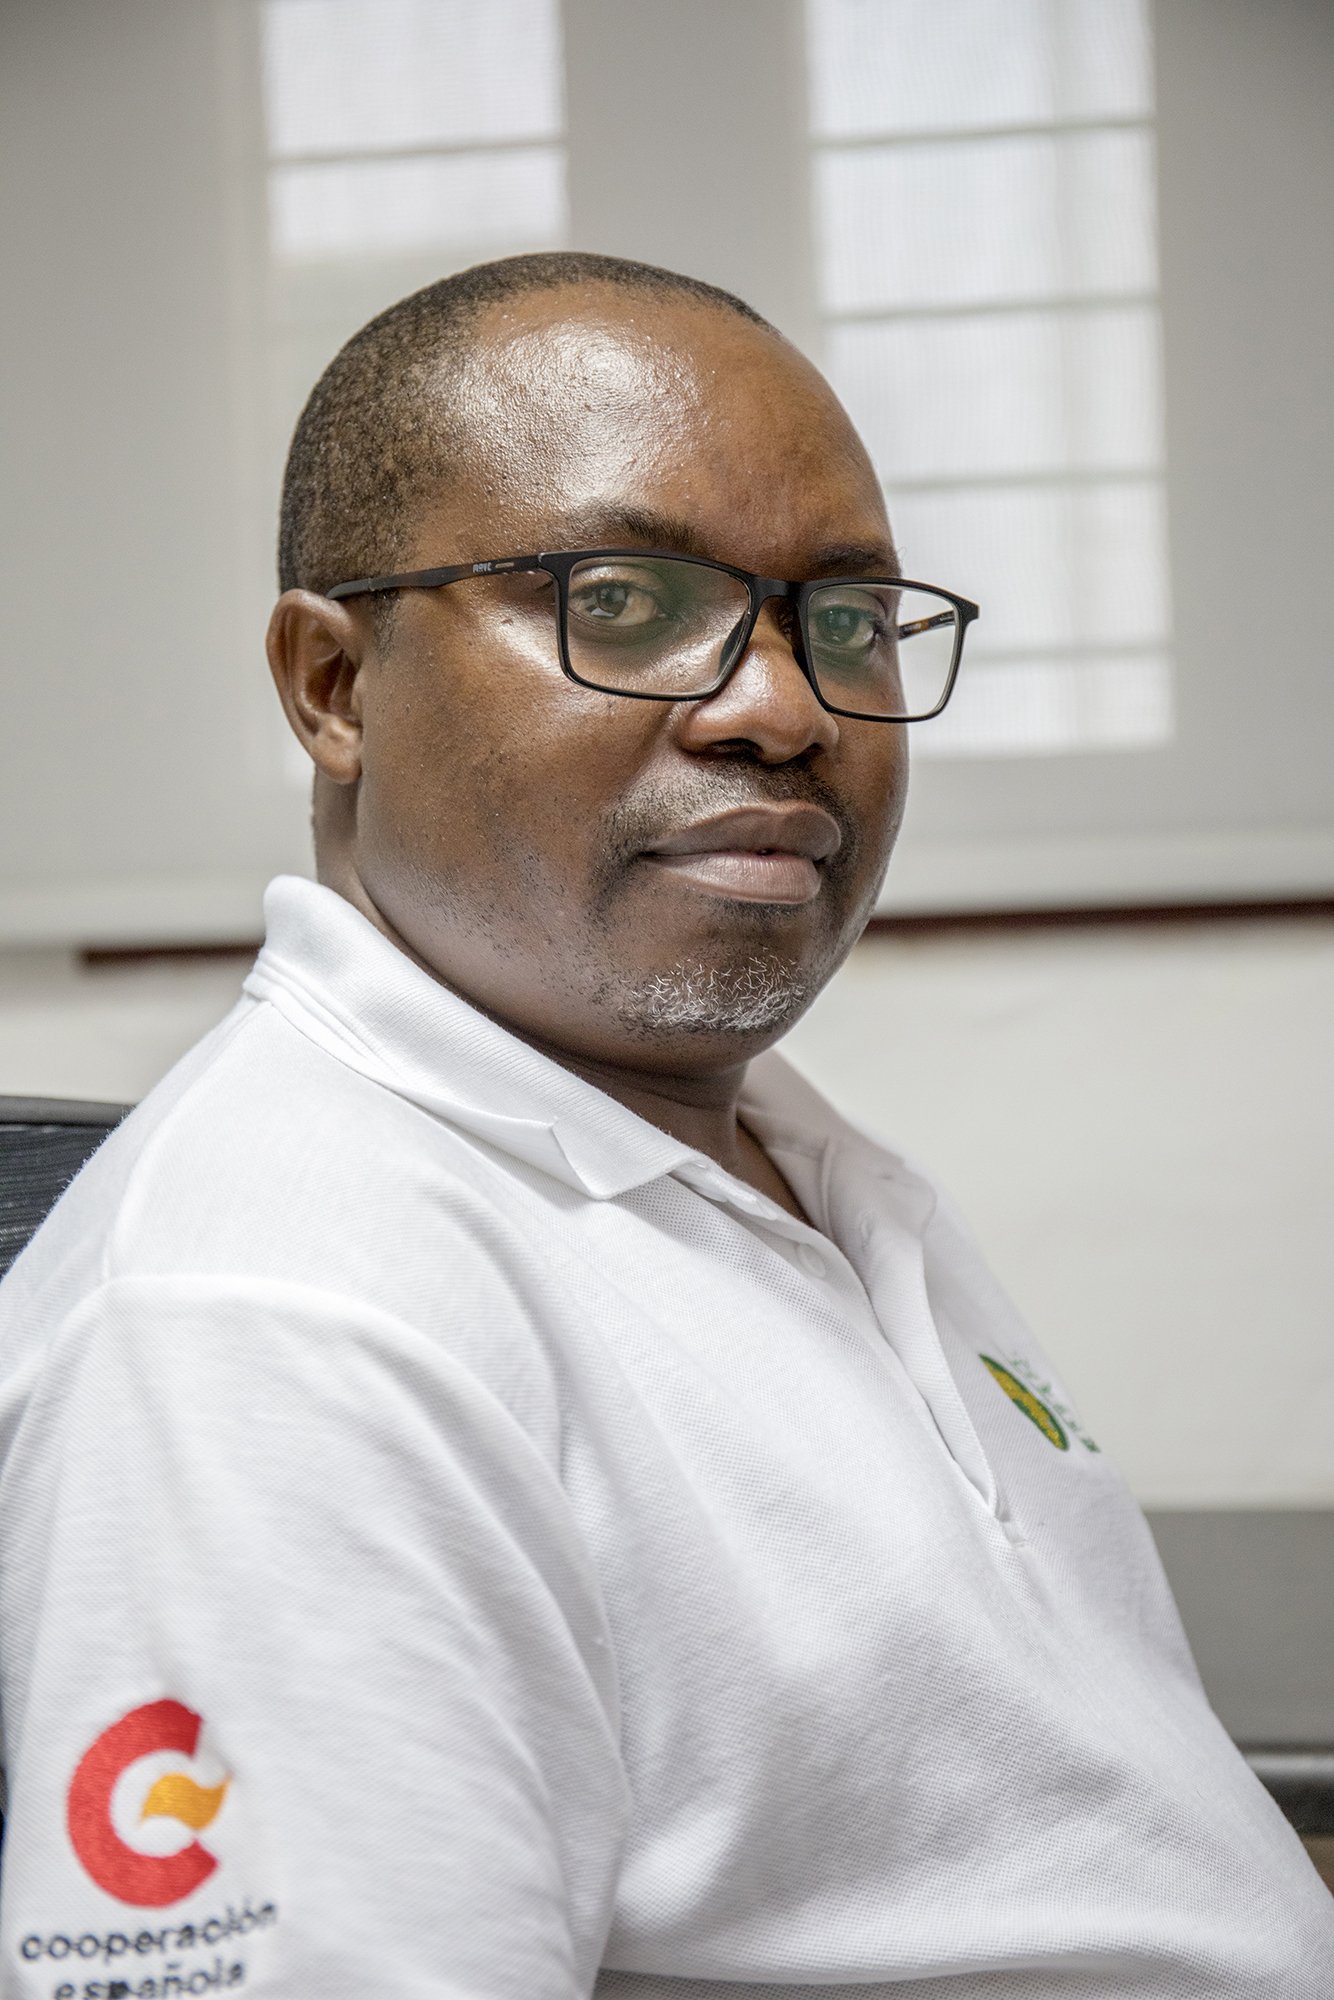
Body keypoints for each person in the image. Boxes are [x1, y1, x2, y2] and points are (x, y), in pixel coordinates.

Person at [0, 251, 1329, 2000]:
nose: (783, 706)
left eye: (844, 620)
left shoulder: (761, 1157)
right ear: (334, 686)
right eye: (619, 602)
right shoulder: (283, 1320)